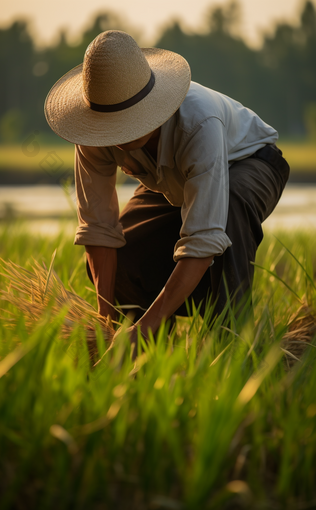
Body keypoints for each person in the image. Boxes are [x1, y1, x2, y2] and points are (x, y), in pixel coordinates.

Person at [44, 30, 290, 347]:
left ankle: (232, 347)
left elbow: (202, 240)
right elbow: (99, 230)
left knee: (228, 209)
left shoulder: (199, 122)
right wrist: (104, 323)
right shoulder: (94, 132)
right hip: (171, 182)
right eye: (111, 126)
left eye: (129, 121)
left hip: (247, 163)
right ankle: (151, 353)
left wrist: (144, 326)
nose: (119, 136)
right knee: (128, 251)